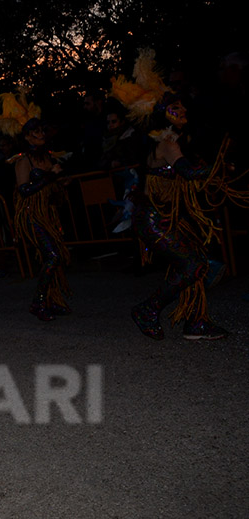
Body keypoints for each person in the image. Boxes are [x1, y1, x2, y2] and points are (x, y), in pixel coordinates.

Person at [111, 50, 232, 340]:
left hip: (168, 217)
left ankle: (195, 321)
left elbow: (188, 173)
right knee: (193, 264)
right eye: (177, 107)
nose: (184, 111)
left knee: (195, 263)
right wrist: (217, 168)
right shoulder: (167, 142)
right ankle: (148, 309)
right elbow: (188, 173)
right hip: (156, 220)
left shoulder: (172, 141)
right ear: (165, 114)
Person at [0, 91, 72, 321]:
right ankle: (38, 302)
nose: (40, 134)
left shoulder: (48, 157)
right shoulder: (22, 160)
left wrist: (63, 181)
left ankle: (52, 300)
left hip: (48, 213)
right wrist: (51, 178)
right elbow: (24, 189)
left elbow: (55, 182)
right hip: (30, 215)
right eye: (34, 132)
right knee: (53, 256)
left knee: (53, 257)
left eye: (41, 130)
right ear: (26, 137)